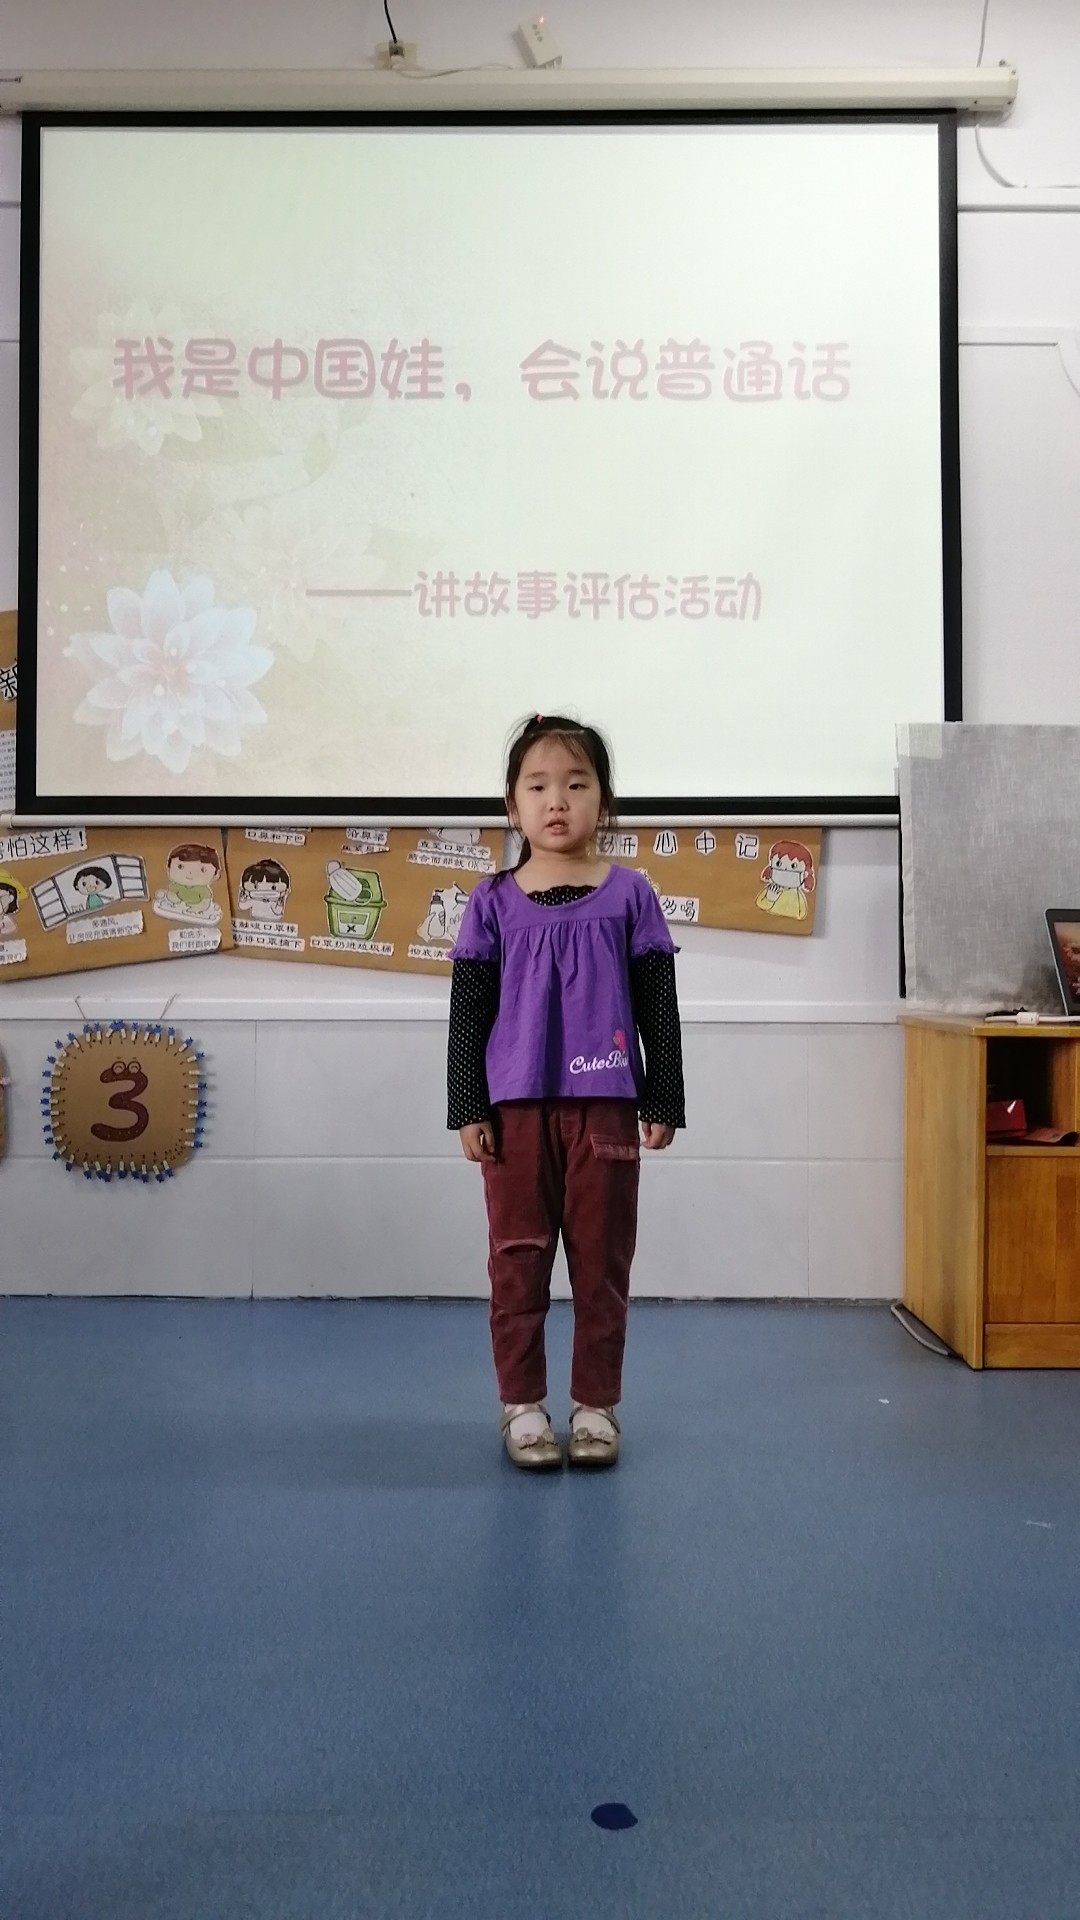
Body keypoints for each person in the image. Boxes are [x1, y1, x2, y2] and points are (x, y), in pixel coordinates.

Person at [447, 713, 685, 1472]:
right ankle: (522, 1405)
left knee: (601, 1261)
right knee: (516, 1260)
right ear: (512, 806)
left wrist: (663, 1097)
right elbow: (469, 1013)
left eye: (577, 785)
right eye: (538, 786)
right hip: (514, 1112)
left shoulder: (631, 895)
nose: (557, 801)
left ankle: (595, 1407)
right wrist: (467, 1105)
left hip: (605, 1107)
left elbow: (657, 1006)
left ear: (603, 803)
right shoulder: (491, 901)